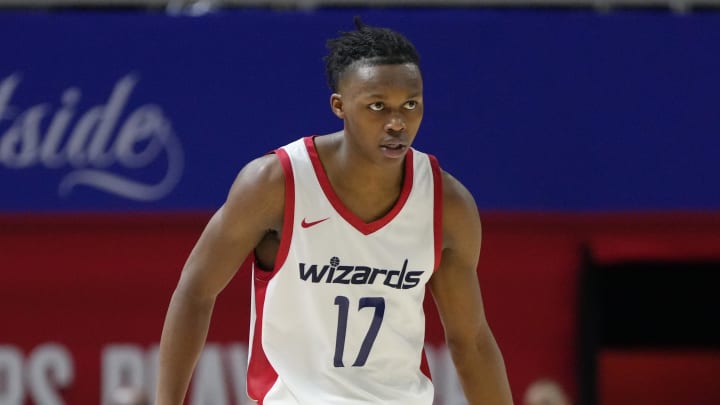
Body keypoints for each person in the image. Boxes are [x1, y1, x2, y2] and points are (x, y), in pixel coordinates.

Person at [156, 17, 513, 405]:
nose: (397, 122)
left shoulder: (448, 203)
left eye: (410, 105)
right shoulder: (275, 183)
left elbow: (471, 341)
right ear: (339, 106)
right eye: (378, 106)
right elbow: (194, 291)